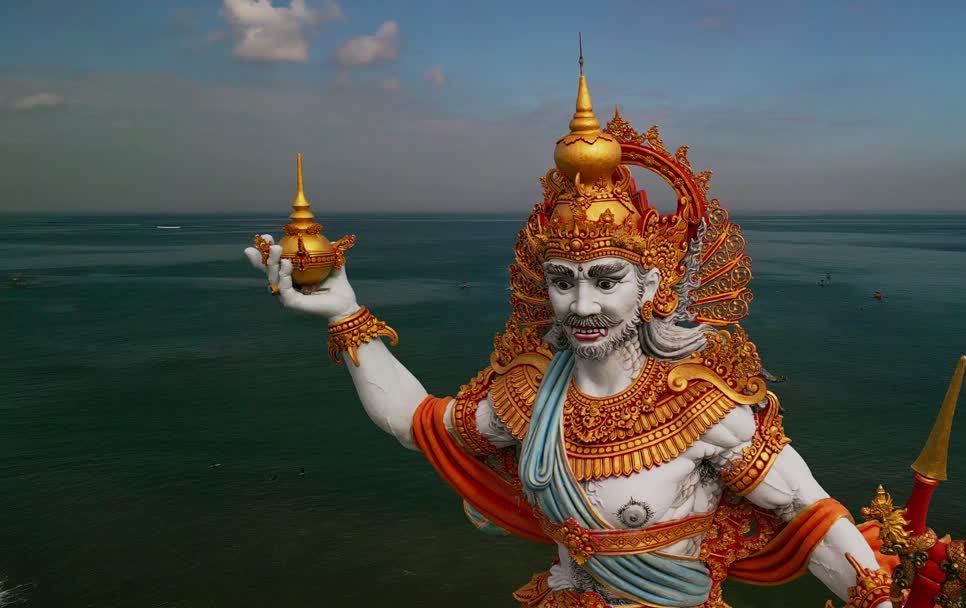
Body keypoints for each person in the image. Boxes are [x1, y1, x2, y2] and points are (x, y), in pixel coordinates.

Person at [245, 66, 904, 608]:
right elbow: (413, 423)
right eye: (563, 281)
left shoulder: (700, 410)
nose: (582, 304)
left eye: (606, 280)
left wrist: (874, 597)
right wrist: (346, 313)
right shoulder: (527, 398)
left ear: (649, 289)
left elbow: (807, 513)